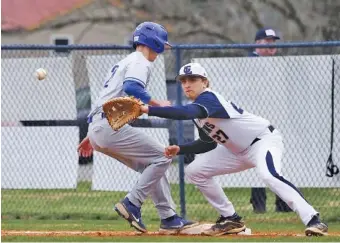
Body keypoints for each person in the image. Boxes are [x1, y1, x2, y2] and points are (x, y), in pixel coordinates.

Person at [139, 62, 328, 237]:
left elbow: (185, 113)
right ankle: (231, 218)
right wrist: (180, 148)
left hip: (262, 141)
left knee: (269, 175)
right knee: (195, 171)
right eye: (183, 81)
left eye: (193, 79)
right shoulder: (198, 111)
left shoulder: (209, 98)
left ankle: (314, 220)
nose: (187, 84)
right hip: (236, 151)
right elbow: (208, 143)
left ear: (205, 82)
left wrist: (147, 109)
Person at [77, 22, 196, 234]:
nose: (161, 52)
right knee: (163, 156)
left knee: (152, 163)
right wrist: (157, 103)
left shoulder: (127, 61)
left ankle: (169, 218)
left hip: (100, 127)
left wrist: (91, 135)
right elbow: (132, 87)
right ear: (155, 42)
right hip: (107, 128)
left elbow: (105, 101)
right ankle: (132, 203)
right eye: (161, 45)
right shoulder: (140, 61)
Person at [248, 27, 293, 213]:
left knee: (279, 160)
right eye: (267, 42)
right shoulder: (249, 63)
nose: (271, 46)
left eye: (273, 42)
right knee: (256, 160)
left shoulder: (277, 64)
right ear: (257, 43)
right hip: (255, 120)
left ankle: (282, 204)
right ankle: (259, 205)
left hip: (277, 118)